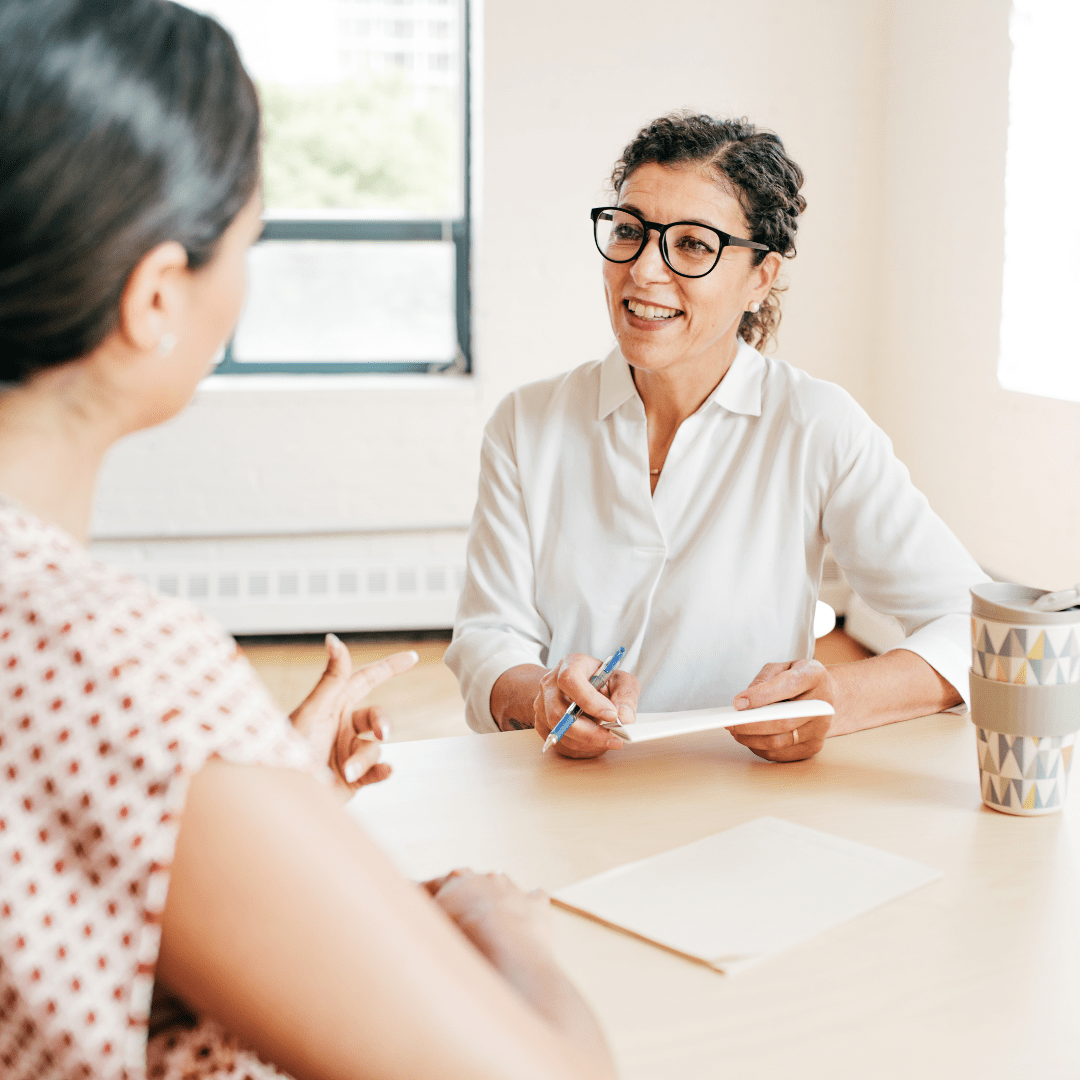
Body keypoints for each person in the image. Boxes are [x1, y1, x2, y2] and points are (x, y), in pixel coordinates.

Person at [0, 2, 615, 1078]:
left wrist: (252, 786)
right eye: (248, 242)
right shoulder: (120, 673)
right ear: (153, 296)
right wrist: (493, 922)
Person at [446, 112, 988, 761]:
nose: (643, 270)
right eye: (628, 231)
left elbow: (976, 626)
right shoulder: (526, 422)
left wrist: (834, 700)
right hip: (563, 785)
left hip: (741, 791)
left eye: (693, 245)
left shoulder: (815, 423)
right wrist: (539, 695)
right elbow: (487, 635)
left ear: (760, 277)